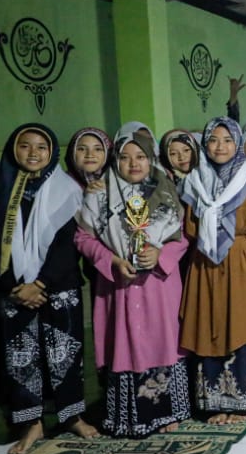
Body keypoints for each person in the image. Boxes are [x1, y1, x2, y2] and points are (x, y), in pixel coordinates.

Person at [75, 125, 191, 436]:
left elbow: (181, 239)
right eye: (124, 158)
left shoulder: (165, 191)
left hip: (159, 284)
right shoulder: (99, 196)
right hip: (119, 285)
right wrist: (111, 260)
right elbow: (84, 239)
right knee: (125, 342)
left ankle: (168, 412)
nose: (133, 163)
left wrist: (160, 255)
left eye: (140, 156)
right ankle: (128, 416)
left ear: (151, 157)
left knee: (163, 341)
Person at [0, 123, 94, 453]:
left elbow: (69, 243)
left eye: (41, 147)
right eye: (25, 146)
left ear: (52, 153)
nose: (33, 153)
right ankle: (31, 424)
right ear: (12, 150)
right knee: (21, 359)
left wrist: (41, 283)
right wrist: (14, 286)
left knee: (65, 356)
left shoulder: (67, 189)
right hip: (13, 290)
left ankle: (71, 417)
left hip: (57, 287)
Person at [179, 117, 246, 423]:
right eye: (214, 140)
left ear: (238, 144)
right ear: (205, 144)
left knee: (242, 322)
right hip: (205, 264)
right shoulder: (193, 182)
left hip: (241, 262)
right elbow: (189, 227)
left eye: (227, 140)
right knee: (210, 323)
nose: (220, 147)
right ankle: (215, 402)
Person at [66, 128, 111, 196]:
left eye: (98, 149)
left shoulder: (118, 183)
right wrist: (85, 197)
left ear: (107, 153)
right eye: (81, 149)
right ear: (72, 152)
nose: (90, 155)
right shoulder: (61, 184)